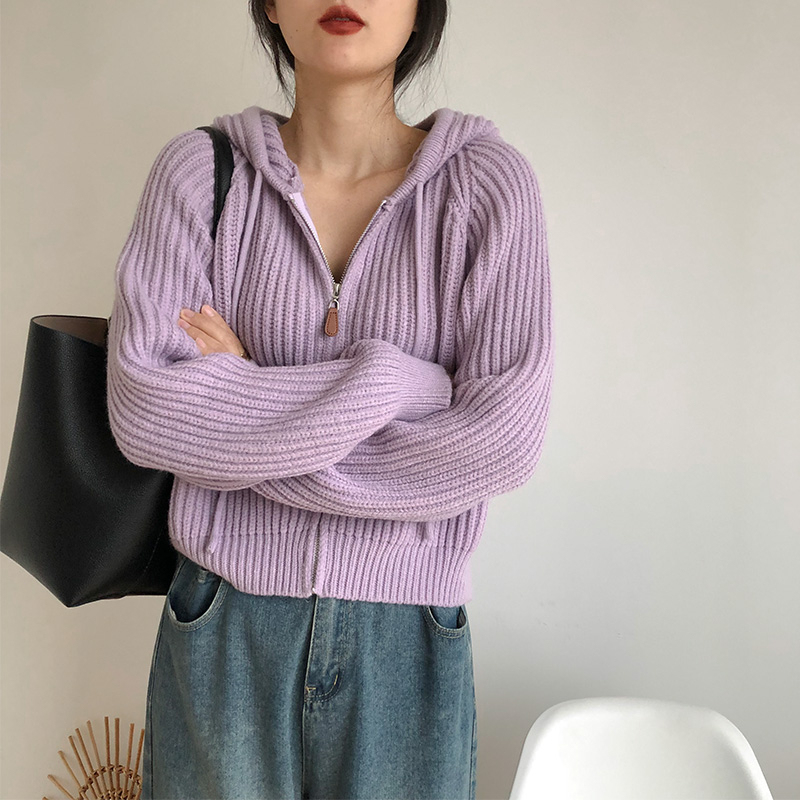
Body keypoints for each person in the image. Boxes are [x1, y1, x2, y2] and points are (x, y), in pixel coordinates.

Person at [105, 0, 554, 797]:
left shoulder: (488, 189)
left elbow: (502, 442)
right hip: (224, 623)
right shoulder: (200, 175)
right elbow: (147, 411)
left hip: (407, 636)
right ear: (271, 5)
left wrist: (245, 394)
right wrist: (407, 385)